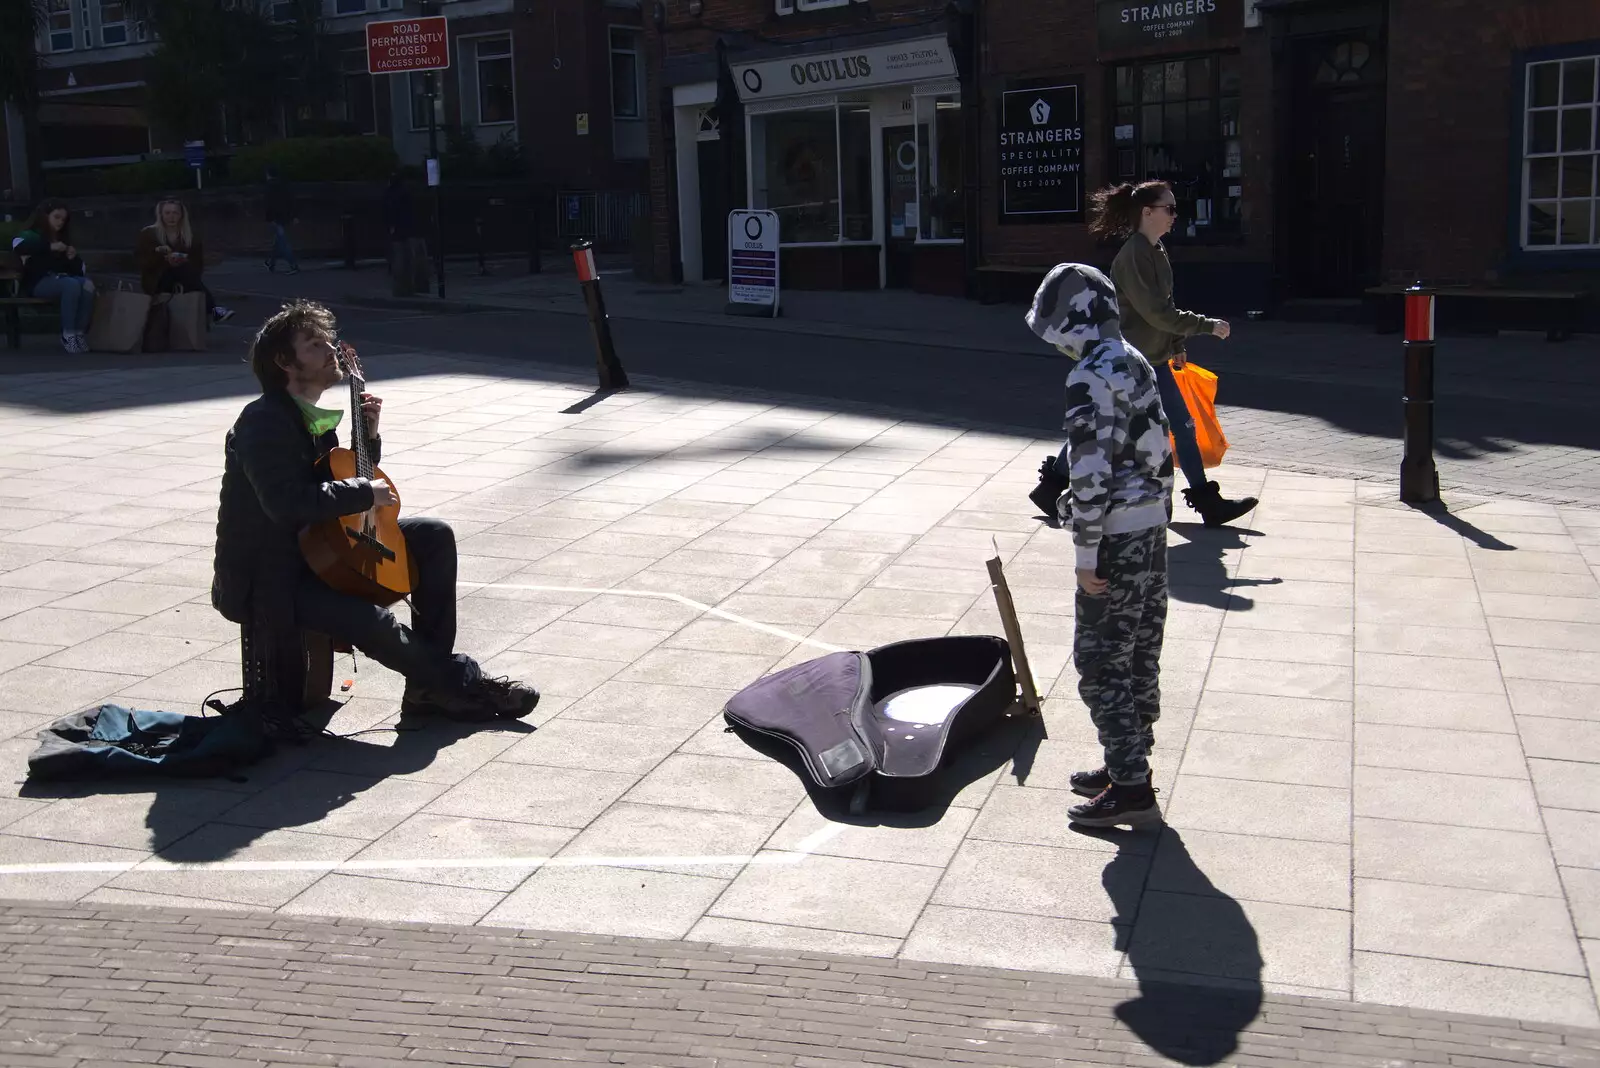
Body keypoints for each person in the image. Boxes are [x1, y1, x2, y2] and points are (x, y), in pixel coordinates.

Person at [211, 300, 539, 727]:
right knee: (370, 620)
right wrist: (363, 490)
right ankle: (457, 681)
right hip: (271, 576)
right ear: (284, 361)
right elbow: (286, 503)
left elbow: (334, 477)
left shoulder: (312, 419)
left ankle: (427, 687)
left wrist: (368, 441)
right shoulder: (263, 423)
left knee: (433, 535)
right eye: (314, 344)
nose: (330, 349)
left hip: (319, 551)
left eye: (328, 340)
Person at [1026, 262, 1170, 828]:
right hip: (1151, 527)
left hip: (1114, 535)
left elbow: (1090, 471)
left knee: (1100, 662)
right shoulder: (1133, 359)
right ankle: (1128, 761)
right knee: (1139, 654)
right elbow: (1158, 446)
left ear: (1070, 321)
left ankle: (1131, 789)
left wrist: (1085, 555)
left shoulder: (1089, 373)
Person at [1029, 180, 1257, 529]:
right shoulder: (1133, 255)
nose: (1174, 216)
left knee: (1175, 424)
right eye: (1169, 209)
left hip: (1152, 358)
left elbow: (1164, 308)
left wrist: (1176, 345)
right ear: (1146, 213)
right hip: (1127, 362)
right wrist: (1204, 326)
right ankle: (1052, 486)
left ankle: (1207, 502)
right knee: (1110, 425)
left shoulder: (1156, 250)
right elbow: (1155, 312)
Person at [9, 199, 95, 353]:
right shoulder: (32, 235)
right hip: (38, 282)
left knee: (87, 285)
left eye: (63, 219)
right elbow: (17, 245)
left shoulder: (62, 238)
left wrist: (72, 258)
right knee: (71, 284)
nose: (60, 222)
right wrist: (49, 247)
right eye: (56, 217)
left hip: (60, 279)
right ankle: (67, 334)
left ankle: (78, 333)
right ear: (45, 216)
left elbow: (77, 271)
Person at [135, 198, 235, 324]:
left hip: (186, 279)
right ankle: (215, 310)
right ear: (160, 215)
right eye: (167, 213)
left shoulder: (191, 237)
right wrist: (161, 257)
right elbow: (142, 263)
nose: (171, 217)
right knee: (180, 270)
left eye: (175, 213)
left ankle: (213, 311)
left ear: (182, 215)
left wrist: (183, 260)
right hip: (157, 279)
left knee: (182, 269)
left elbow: (198, 266)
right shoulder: (149, 234)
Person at [263, 165, 300, 275]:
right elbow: (292, 200)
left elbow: (269, 204)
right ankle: (271, 263)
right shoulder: (285, 185)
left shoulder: (270, 187)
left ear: (268, 175)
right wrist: (294, 215)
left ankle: (293, 265)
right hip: (286, 216)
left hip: (276, 218)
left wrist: (269, 218)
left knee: (283, 242)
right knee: (278, 241)